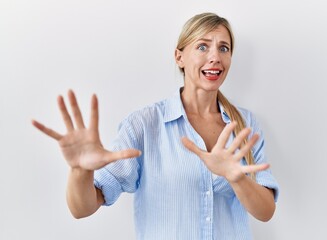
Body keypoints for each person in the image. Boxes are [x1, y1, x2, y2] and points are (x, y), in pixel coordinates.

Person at [32, 12, 279, 240]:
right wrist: (80, 171)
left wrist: (237, 179)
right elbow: (81, 208)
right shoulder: (144, 125)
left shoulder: (244, 125)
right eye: (202, 46)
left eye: (223, 48)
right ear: (179, 57)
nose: (215, 57)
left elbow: (266, 211)